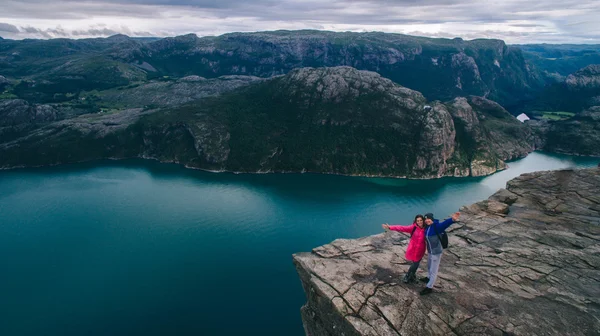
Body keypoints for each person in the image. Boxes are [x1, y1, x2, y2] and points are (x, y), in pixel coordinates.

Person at [419, 211, 460, 295]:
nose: (427, 220)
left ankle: (429, 287)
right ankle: (428, 277)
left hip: (436, 252)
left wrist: (452, 219)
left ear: (432, 219)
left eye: (429, 219)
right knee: (429, 266)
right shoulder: (427, 227)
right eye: (426, 219)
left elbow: (445, 224)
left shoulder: (437, 227)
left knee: (434, 270)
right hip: (431, 251)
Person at [382, 214, 427, 284]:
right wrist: (390, 227)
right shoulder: (413, 227)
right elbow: (402, 228)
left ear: (423, 220)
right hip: (413, 249)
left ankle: (412, 275)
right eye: (417, 221)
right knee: (415, 263)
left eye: (421, 220)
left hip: (421, 250)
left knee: (416, 263)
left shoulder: (426, 228)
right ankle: (408, 275)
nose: (419, 222)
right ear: (416, 221)